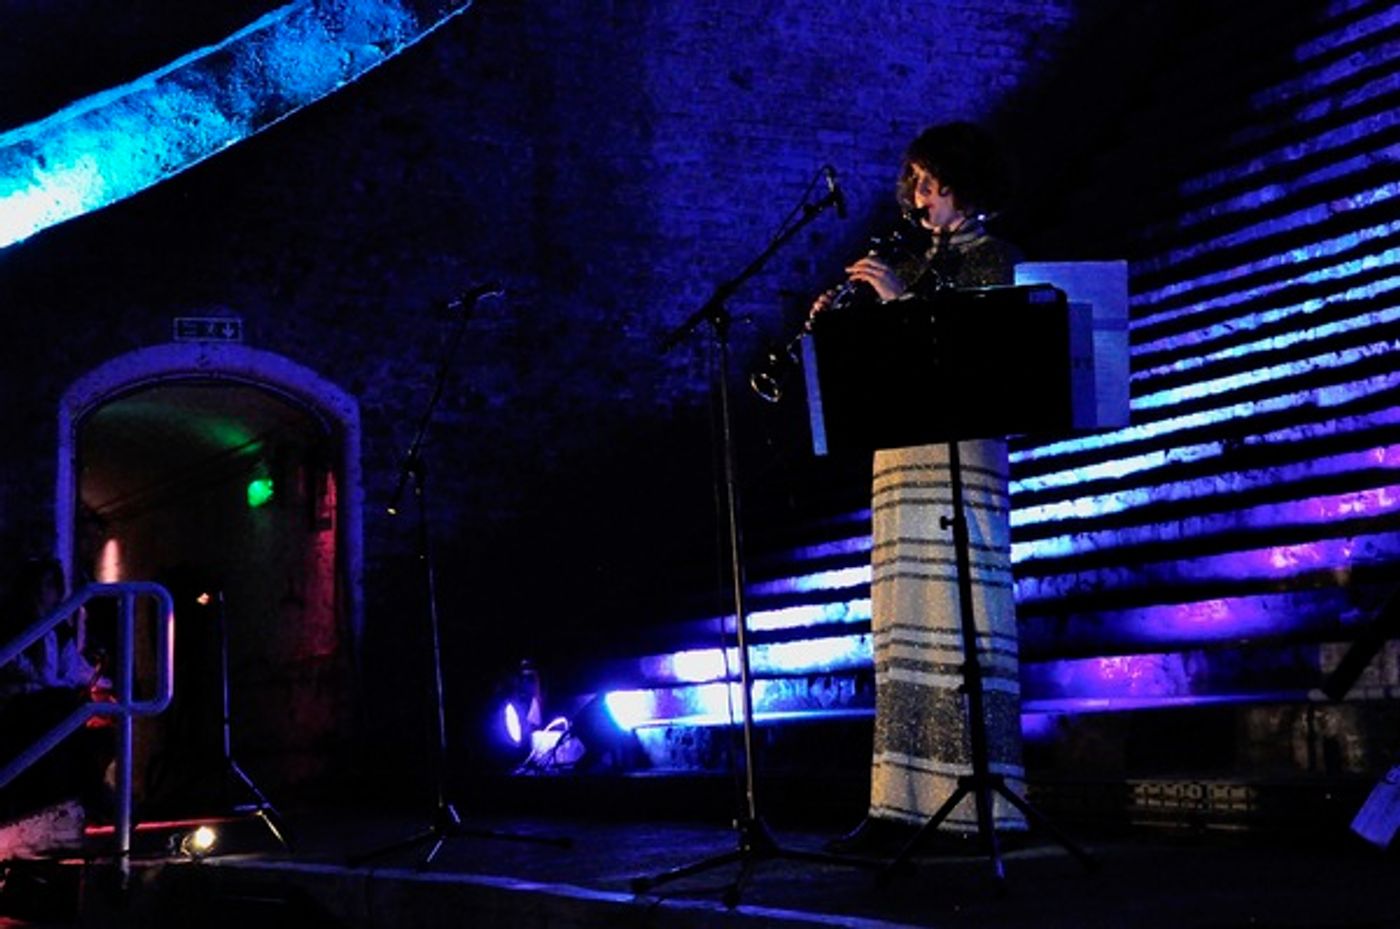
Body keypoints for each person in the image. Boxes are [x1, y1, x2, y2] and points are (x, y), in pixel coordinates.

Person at [812, 121, 1027, 853]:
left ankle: (972, 808)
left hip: (959, 452)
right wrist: (842, 329)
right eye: (916, 183)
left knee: (955, 613)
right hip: (901, 453)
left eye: (934, 184)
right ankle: (897, 802)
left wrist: (901, 300)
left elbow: (973, 360)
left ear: (964, 185)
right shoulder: (912, 257)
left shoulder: (991, 256)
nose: (922, 197)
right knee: (901, 621)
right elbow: (891, 360)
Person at [0, 557, 111, 829]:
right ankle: (89, 797)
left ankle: (86, 797)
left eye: (51, 585)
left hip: (49, 702)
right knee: (65, 710)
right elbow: (29, 670)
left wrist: (107, 686)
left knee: (96, 721)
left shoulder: (59, 628)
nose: (45, 591)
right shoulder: (11, 625)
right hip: (18, 703)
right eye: (42, 584)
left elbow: (71, 667)